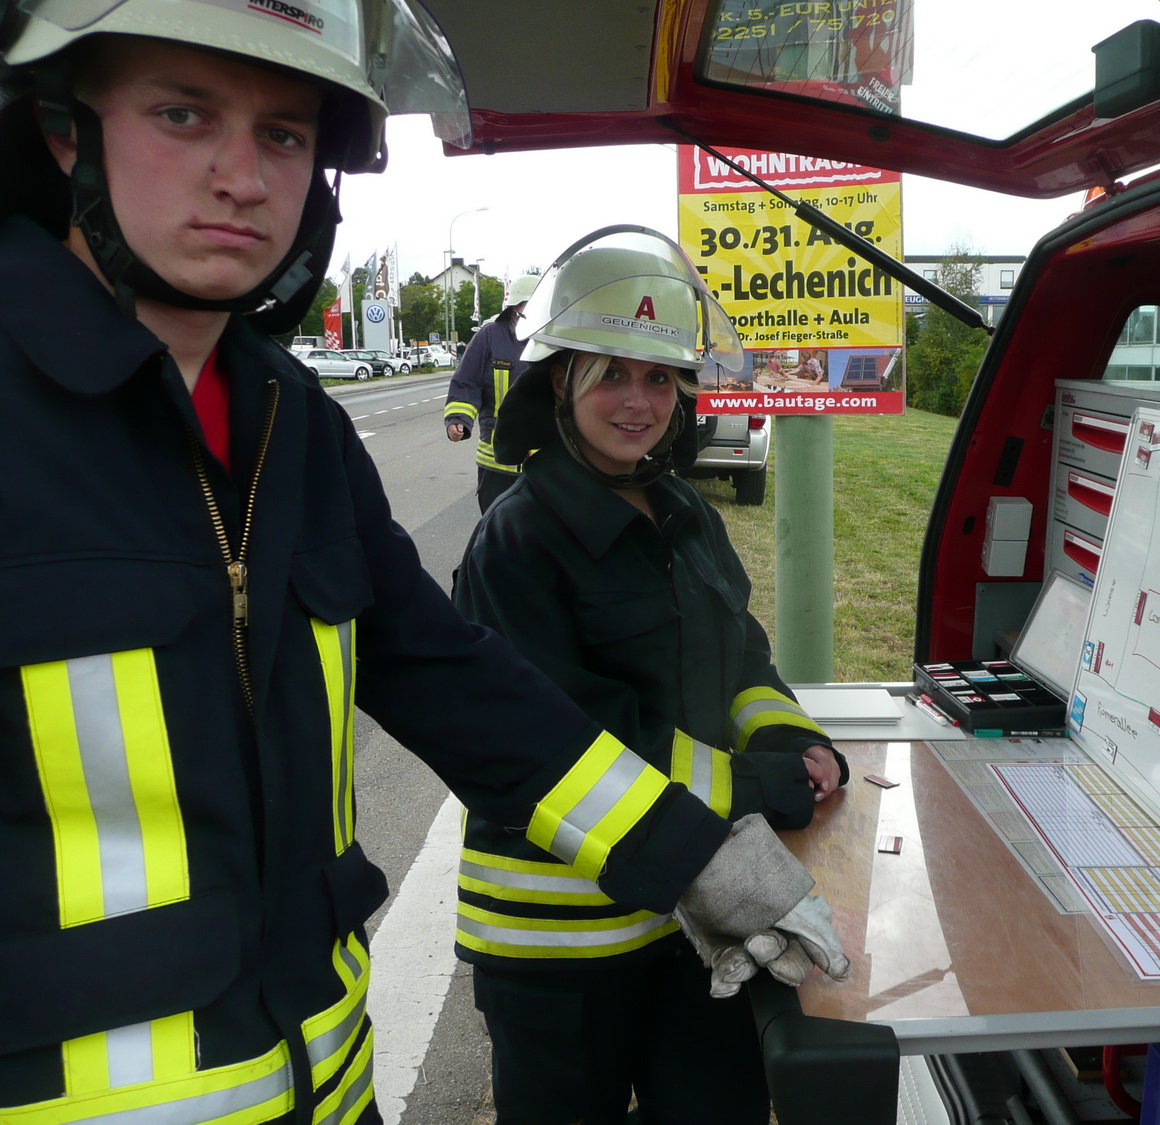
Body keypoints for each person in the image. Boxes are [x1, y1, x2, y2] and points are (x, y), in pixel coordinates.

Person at [0, 5, 844, 1122]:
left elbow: (459, 685)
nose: (241, 179)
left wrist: (697, 856)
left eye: (284, 133)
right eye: (182, 115)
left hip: (328, 1083)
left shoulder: (291, 423)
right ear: (65, 127)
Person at [451, 226, 850, 1125]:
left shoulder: (683, 512)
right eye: (612, 374)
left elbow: (741, 655)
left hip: (691, 918)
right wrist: (758, 786)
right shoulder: (516, 541)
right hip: (559, 940)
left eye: (660, 378)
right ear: (562, 379)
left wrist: (793, 737)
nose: (639, 402)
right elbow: (569, 741)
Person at [444, 274, 540, 513]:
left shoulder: (555, 340)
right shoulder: (490, 337)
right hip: (497, 463)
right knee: (496, 528)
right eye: (526, 309)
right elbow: (467, 382)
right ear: (515, 308)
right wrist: (458, 419)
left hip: (546, 463)